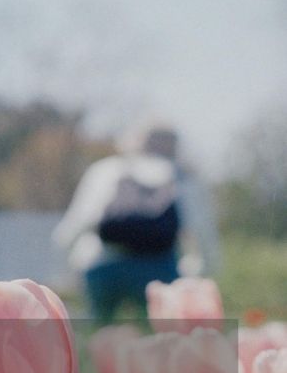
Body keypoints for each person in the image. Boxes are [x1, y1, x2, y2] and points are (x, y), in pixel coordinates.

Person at [54, 123, 219, 321]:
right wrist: (193, 273)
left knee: (99, 331)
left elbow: (76, 225)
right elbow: (204, 236)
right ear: (175, 145)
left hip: (103, 266)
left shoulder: (106, 170)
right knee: (159, 336)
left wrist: (66, 276)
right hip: (160, 270)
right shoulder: (182, 178)